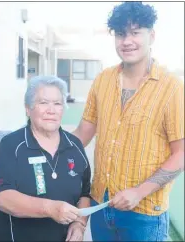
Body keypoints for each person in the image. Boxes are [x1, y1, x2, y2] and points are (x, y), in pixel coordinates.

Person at [73, 2, 184, 241]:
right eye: (121, 33)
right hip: (101, 204)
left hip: (144, 213)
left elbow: (181, 153)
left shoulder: (171, 87)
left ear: (151, 36)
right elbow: (83, 131)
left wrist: (139, 192)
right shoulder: (103, 80)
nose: (127, 41)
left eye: (135, 32)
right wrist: (48, 150)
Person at [0, 76, 91, 241]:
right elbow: (2, 198)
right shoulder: (11, 145)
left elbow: (85, 193)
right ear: (28, 108)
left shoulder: (74, 145)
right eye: (43, 102)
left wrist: (79, 224)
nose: (51, 110)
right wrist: (50, 208)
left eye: (57, 103)